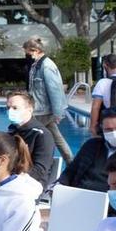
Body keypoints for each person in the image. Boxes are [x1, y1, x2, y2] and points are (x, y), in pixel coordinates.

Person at [22, 37, 75, 166]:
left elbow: (55, 90)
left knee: (26, 135)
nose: (26, 55)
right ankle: (71, 163)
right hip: (40, 110)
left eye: (27, 52)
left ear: (35, 50)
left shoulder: (47, 66)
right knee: (57, 139)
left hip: (43, 112)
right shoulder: (37, 65)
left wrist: (58, 113)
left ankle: (27, 165)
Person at [3, 91, 58, 189]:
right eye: (8, 108)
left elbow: (40, 170)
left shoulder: (42, 135)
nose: (10, 111)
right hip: (8, 182)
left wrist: (10, 180)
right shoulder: (11, 132)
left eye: (15, 108)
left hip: (31, 186)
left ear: (29, 110)